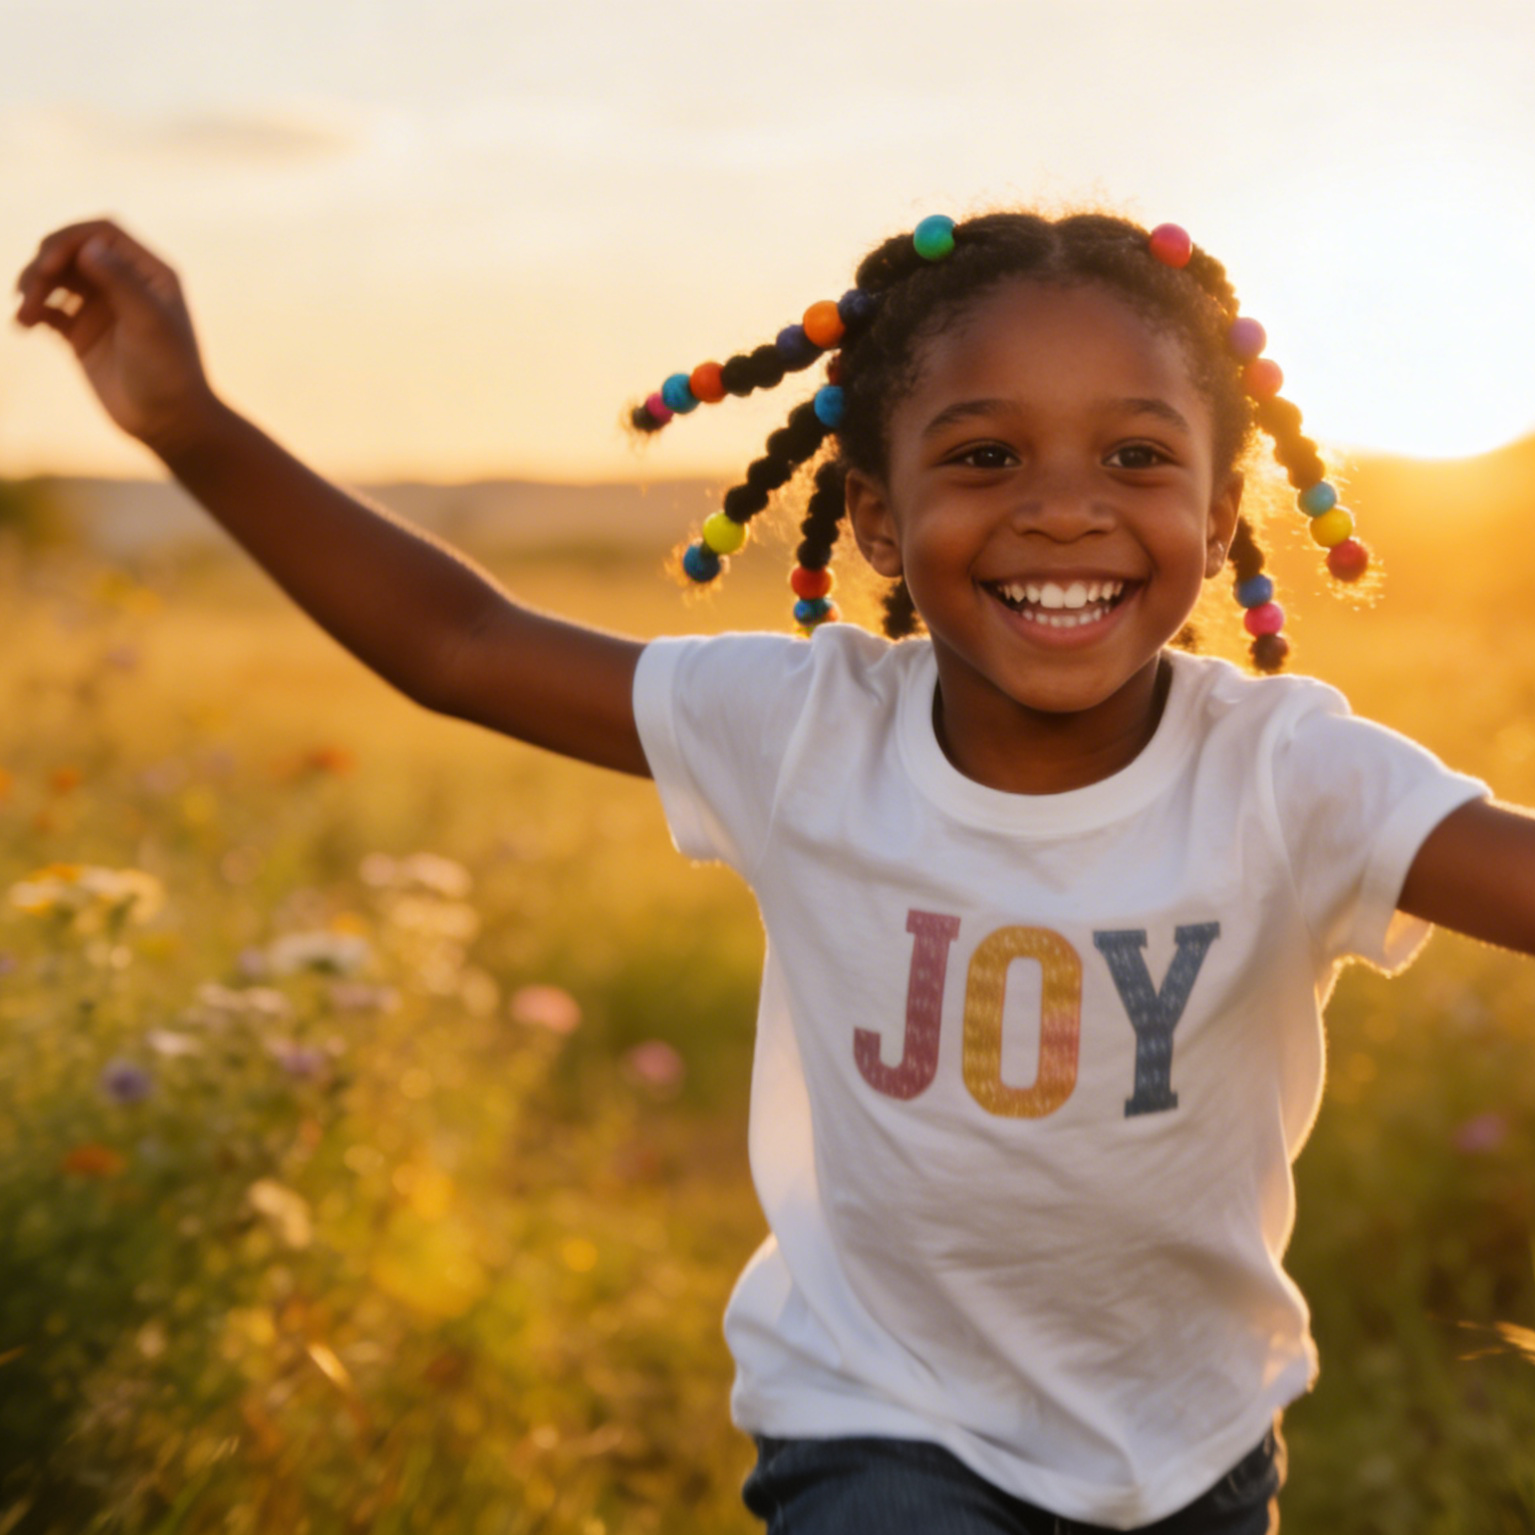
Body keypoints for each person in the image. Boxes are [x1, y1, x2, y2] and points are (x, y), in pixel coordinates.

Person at [14, 209, 1535, 1535]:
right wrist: (188, 424)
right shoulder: (806, 731)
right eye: (983, 454)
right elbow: (458, 647)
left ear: (1215, 519)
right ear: (874, 515)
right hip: (884, 1423)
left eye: (1134, 456)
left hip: (1194, 1441)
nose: (1061, 505)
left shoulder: (1290, 773)